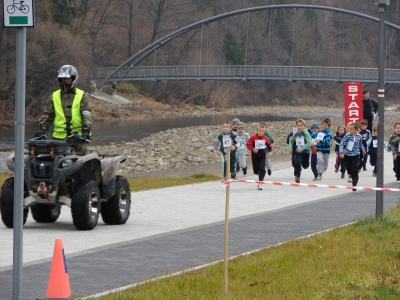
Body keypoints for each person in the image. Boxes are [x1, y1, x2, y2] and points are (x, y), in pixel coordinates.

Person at [36, 65, 92, 153]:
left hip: (78, 138)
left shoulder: (82, 95)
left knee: (81, 160)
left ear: (73, 78)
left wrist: (86, 131)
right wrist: (42, 129)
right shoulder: (55, 95)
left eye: (67, 78)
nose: (65, 80)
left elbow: (86, 114)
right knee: (55, 161)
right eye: (62, 78)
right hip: (59, 138)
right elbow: (48, 114)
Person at [339, 122, 365, 191]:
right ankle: (350, 173)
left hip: (356, 155)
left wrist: (363, 149)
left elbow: (360, 144)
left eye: (351, 129)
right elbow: (341, 144)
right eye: (349, 129)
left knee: (354, 168)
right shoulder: (347, 136)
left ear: (356, 130)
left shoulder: (359, 136)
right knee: (349, 169)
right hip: (347, 155)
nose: (350, 130)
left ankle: (354, 183)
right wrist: (341, 152)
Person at [246, 123, 273, 190]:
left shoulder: (265, 138)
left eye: (262, 131)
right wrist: (253, 149)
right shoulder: (253, 137)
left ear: (264, 132)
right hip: (254, 156)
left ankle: (260, 183)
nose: (260, 133)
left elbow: (269, 145)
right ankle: (259, 173)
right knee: (255, 171)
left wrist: (270, 151)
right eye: (259, 131)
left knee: (262, 169)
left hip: (262, 156)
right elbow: (248, 144)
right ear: (257, 131)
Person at [288, 118, 311, 183]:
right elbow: (291, 141)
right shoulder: (295, 134)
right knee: (297, 162)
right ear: (296, 126)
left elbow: (309, 143)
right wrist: (290, 148)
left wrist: (302, 148)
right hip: (298, 151)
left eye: (301, 126)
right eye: (298, 126)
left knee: (305, 166)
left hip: (305, 151)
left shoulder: (306, 133)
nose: (299, 127)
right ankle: (297, 176)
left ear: (304, 126)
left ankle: (305, 164)